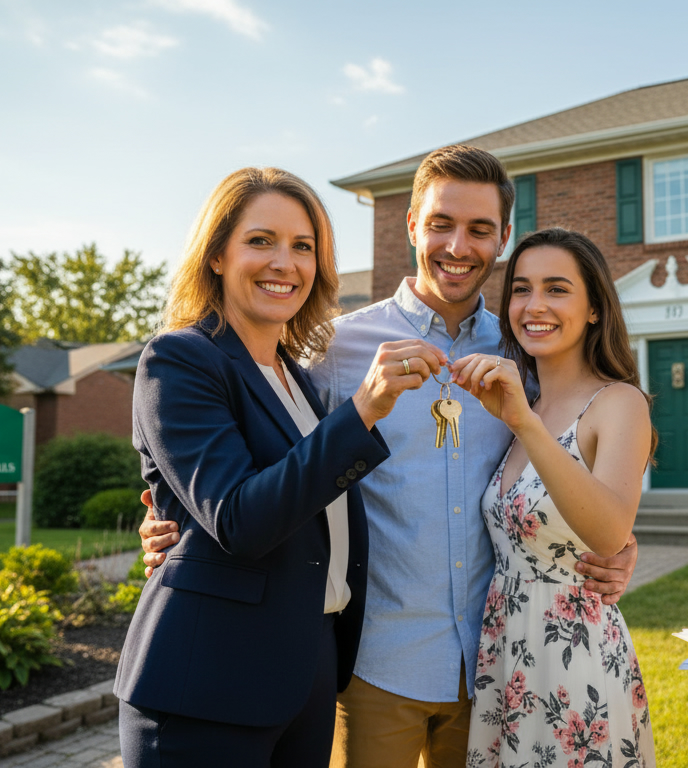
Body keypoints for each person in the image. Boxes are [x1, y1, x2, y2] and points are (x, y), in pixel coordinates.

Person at [137, 145, 641, 768]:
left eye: (480, 229)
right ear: (411, 226)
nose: (459, 246)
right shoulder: (334, 349)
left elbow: (570, 459)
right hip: (376, 664)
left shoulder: (526, 351)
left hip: (498, 667)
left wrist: (615, 543)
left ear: (503, 237)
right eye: (440, 224)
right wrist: (176, 520)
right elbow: (255, 467)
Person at [115, 166, 444, 767]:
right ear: (216, 255)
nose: (283, 263)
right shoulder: (179, 360)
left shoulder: (296, 377)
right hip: (208, 682)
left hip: (306, 670)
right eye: (260, 241)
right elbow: (238, 518)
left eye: (303, 246)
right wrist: (363, 409)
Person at [450, 228, 656, 767]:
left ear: (593, 309)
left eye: (557, 289)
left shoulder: (618, 403)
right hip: (506, 653)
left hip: (574, 656)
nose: (534, 305)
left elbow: (609, 532)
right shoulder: (525, 404)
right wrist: (524, 415)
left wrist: (526, 424)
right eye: (521, 289)